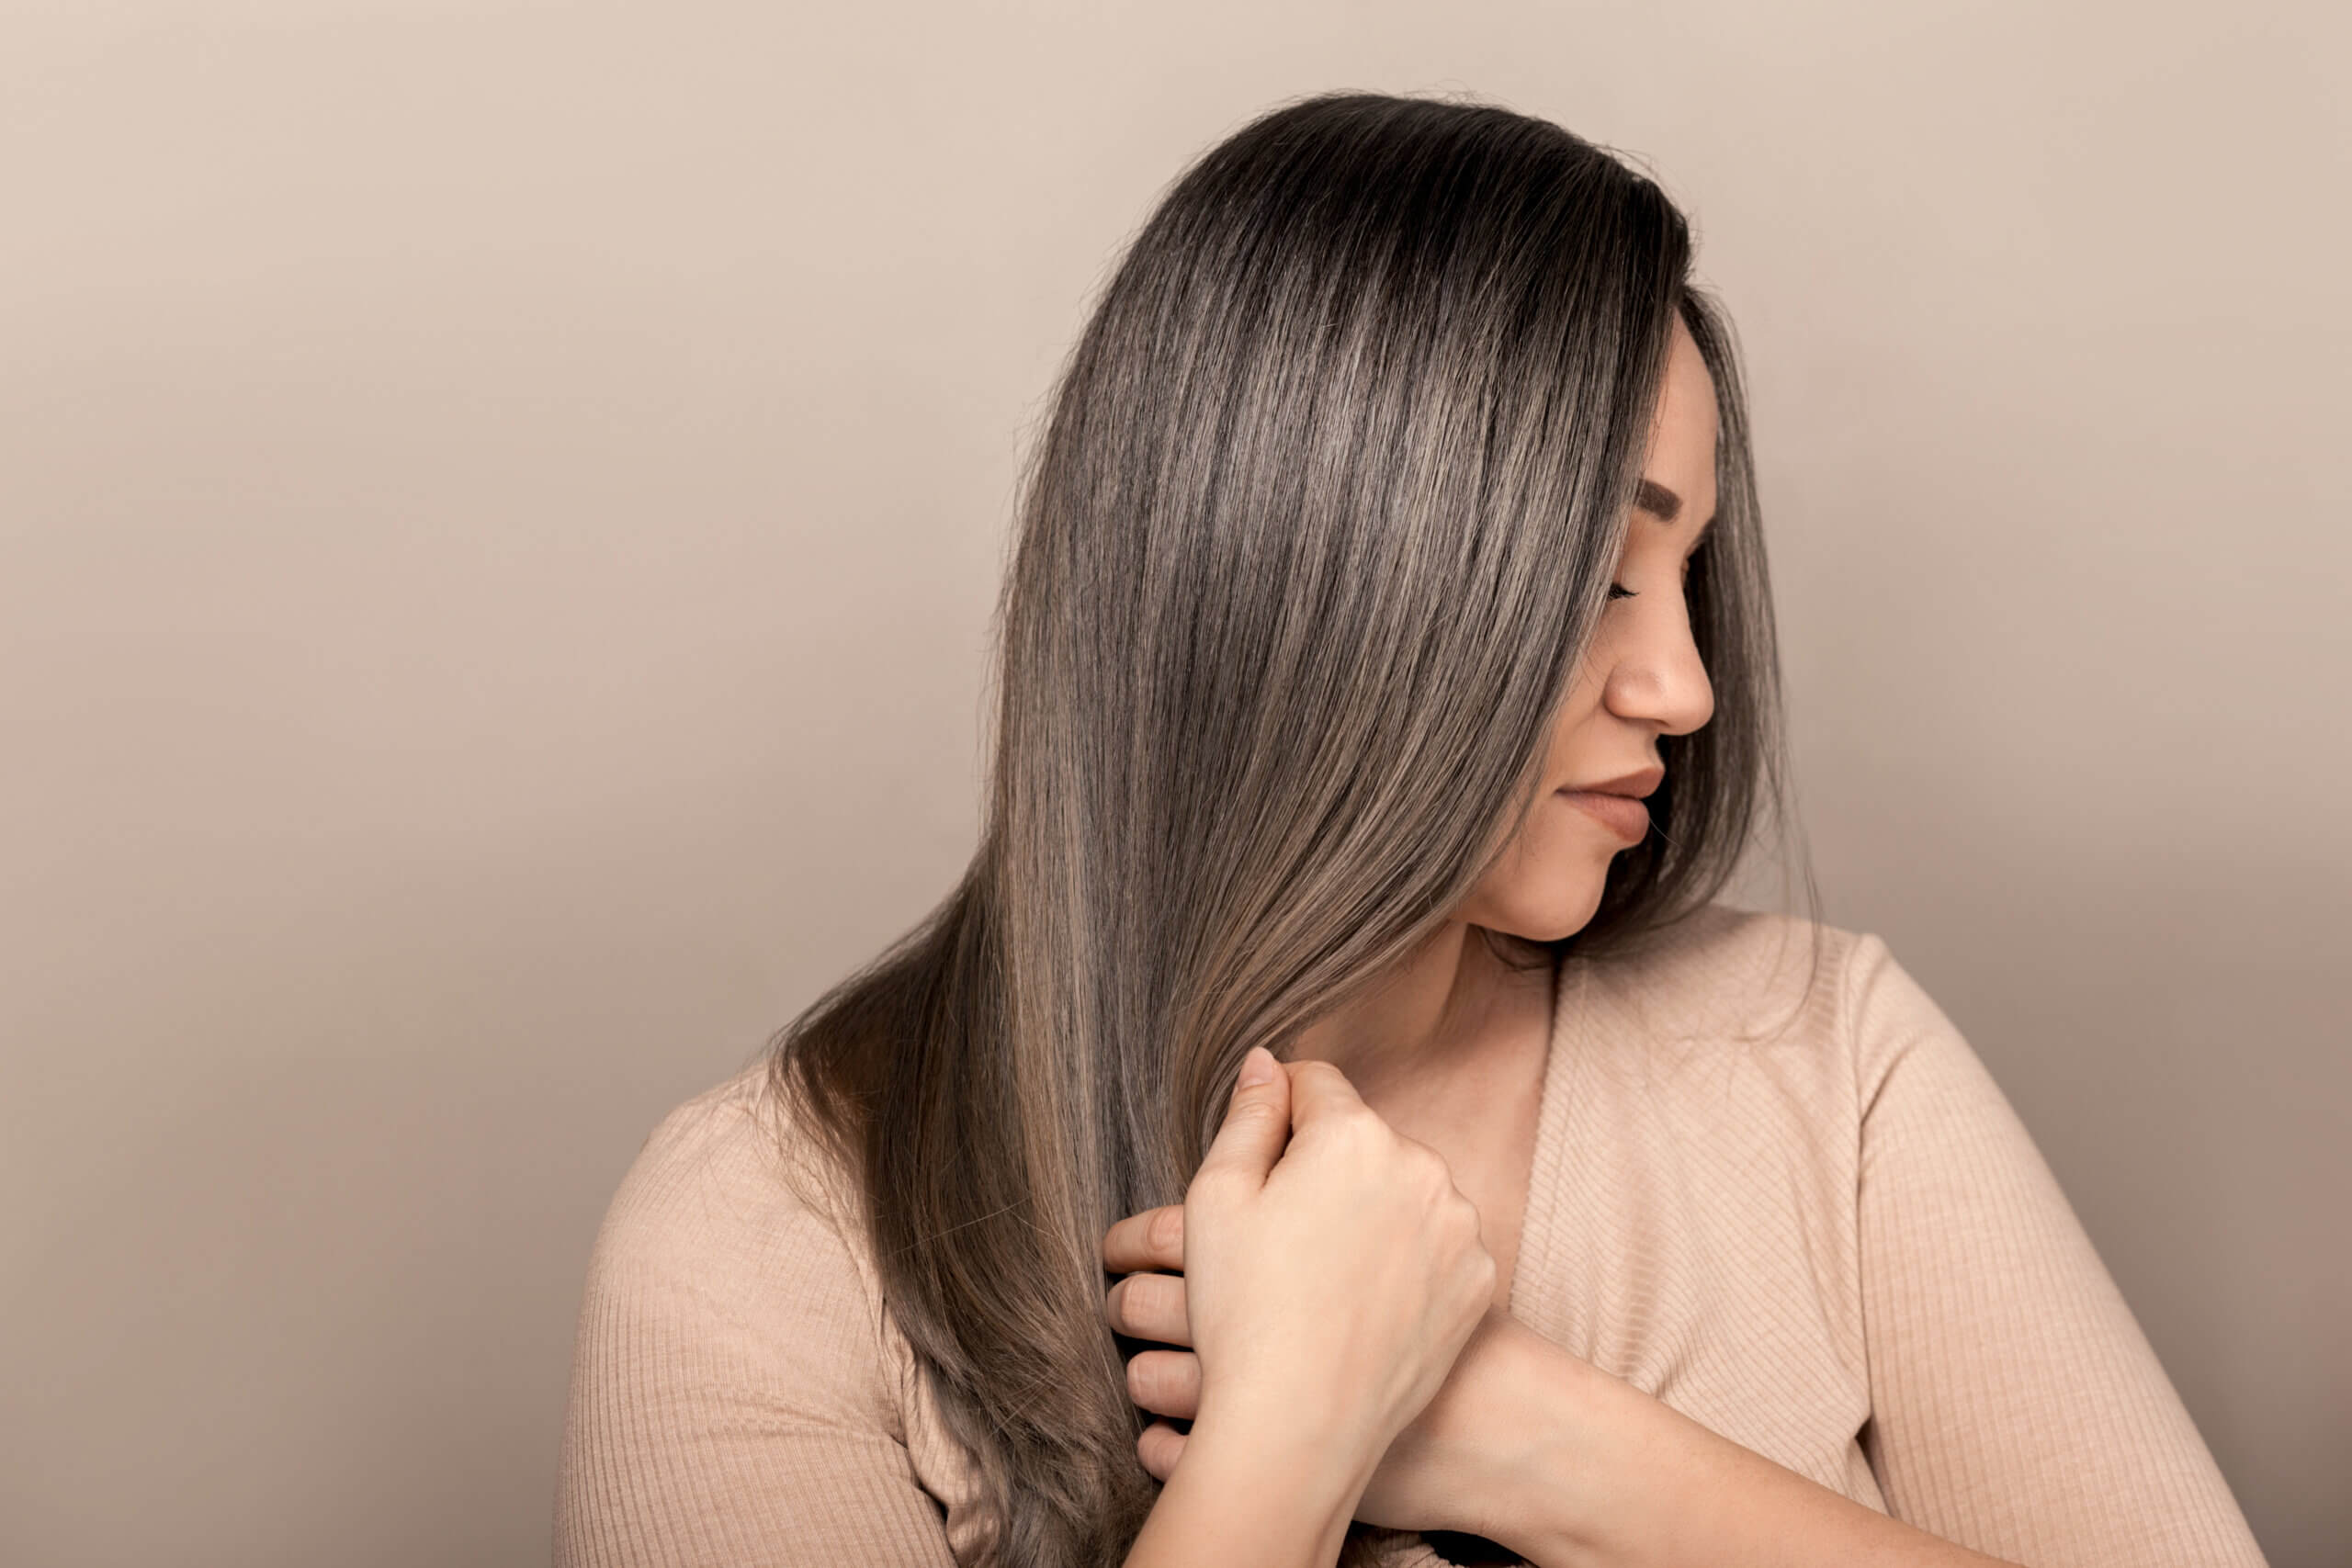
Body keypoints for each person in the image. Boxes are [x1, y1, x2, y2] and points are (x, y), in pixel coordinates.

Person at [549, 91, 2267, 1568]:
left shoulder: (1825, 1063)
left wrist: (1532, 1437)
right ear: (1316, 589)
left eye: (1684, 579)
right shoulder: (769, 1236)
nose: (1684, 688)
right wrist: (1295, 1436)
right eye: (1600, 577)